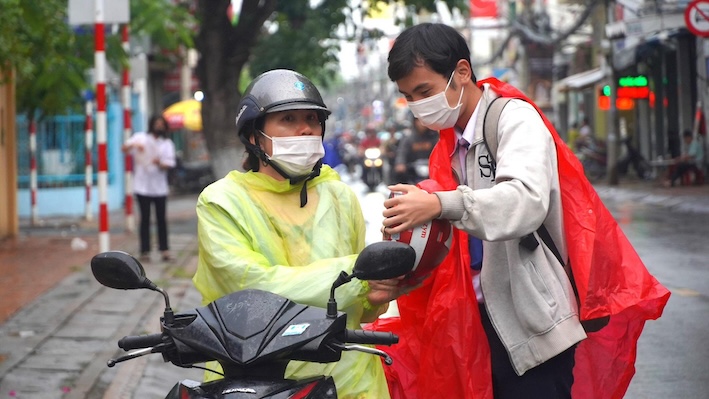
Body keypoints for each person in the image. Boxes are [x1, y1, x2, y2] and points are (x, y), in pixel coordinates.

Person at [371, 23, 669, 399]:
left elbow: (524, 201)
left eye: (424, 91)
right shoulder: (448, 146)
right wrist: (408, 271)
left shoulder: (513, 120)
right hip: (477, 328)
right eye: (408, 96)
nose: (417, 106)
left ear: (462, 72)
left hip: (533, 327)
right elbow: (462, 249)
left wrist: (439, 203)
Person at [190, 69, 401, 399]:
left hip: (348, 379)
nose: (305, 129)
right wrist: (355, 281)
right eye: (288, 119)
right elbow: (251, 290)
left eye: (313, 120)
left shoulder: (340, 197)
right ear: (255, 136)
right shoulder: (222, 201)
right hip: (251, 377)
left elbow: (361, 308)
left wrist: (375, 293)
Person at [122, 115, 176, 262]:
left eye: (161, 124)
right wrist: (134, 146)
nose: (159, 126)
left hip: (159, 187)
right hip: (142, 186)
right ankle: (145, 251)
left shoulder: (167, 143)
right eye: (156, 123)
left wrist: (159, 163)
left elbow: (170, 163)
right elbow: (125, 148)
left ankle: (164, 250)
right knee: (145, 219)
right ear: (151, 124)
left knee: (161, 219)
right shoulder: (140, 138)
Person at [393, 116, 438, 183]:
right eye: (418, 121)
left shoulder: (434, 137)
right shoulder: (409, 138)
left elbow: (439, 152)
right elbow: (402, 152)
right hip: (412, 170)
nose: (421, 124)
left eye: (423, 121)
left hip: (431, 168)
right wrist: (400, 163)